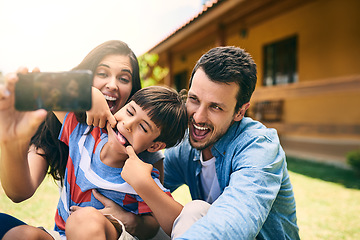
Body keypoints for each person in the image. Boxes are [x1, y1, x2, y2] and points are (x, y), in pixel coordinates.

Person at [121, 46, 300, 239]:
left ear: (240, 111)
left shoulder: (259, 146)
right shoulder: (184, 147)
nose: (198, 117)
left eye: (215, 107)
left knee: (195, 211)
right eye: (194, 99)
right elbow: (143, 196)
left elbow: (234, 223)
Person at [0, 40, 164, 239]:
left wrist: (128, 220)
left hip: (108, 231)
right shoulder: (73, 126)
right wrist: (84, 93)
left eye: (123, 78)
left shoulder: (142, 144)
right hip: (63, 233)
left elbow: (155, 219)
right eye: (102, 74)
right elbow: (28, 87)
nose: (112, 85)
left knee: (86, 222)